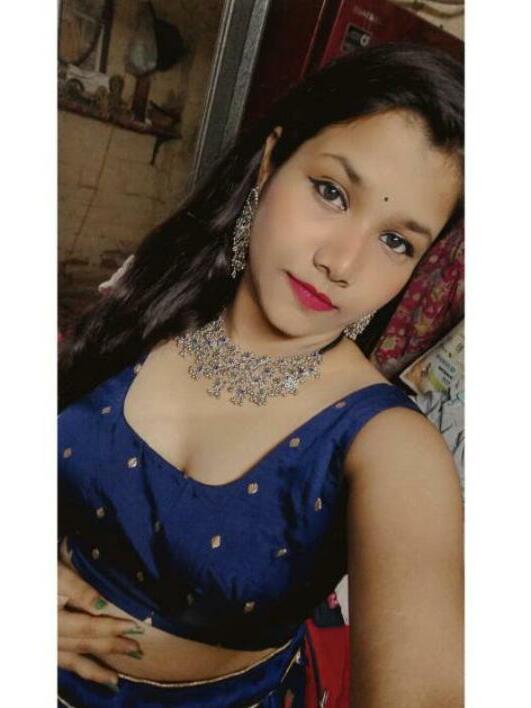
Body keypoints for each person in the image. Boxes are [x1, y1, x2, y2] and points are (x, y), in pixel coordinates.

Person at [58, 42, 464, 707]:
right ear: (271, 163)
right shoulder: (147, 301)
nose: (341, 262)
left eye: (396, 241)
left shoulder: (389, 447)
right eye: (331, 193)